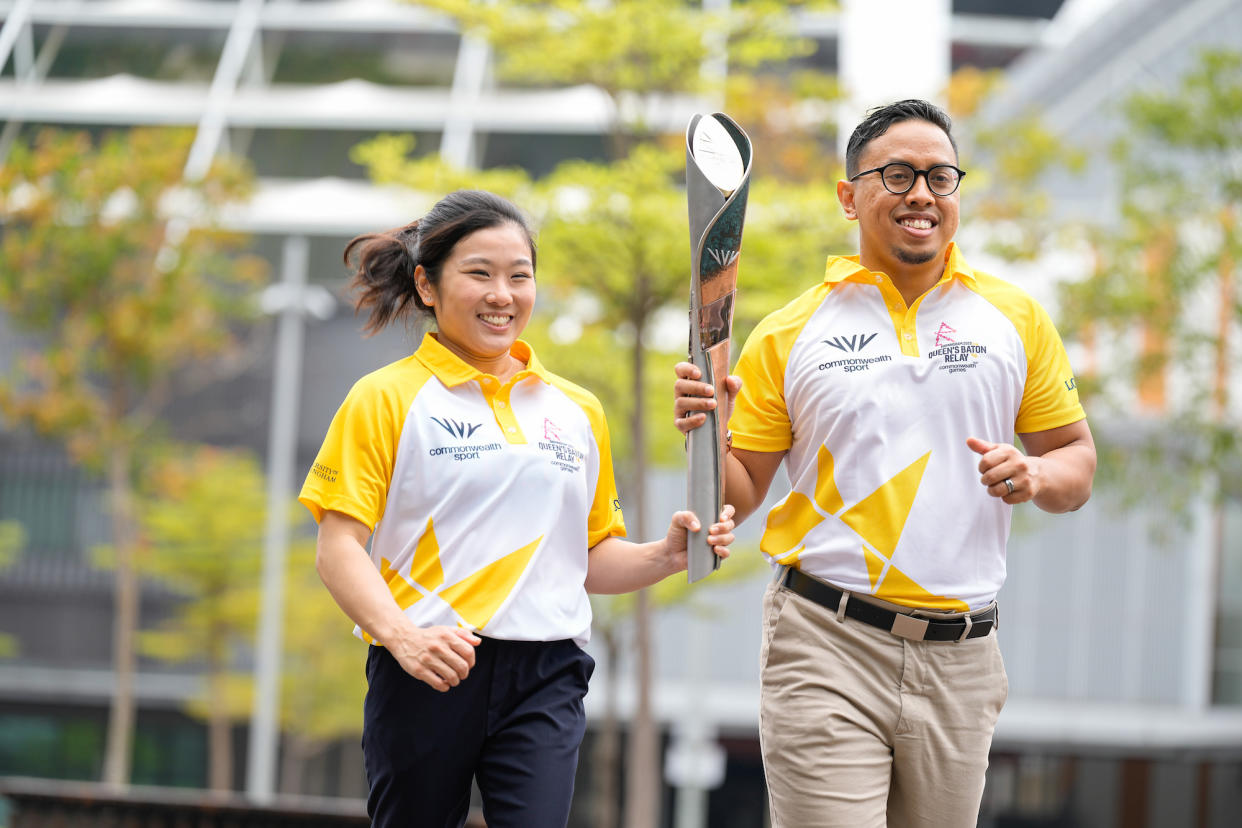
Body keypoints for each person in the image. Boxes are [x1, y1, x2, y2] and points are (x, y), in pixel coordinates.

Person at [674, 100, 1096, 827]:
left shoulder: (1016, 318)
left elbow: (1076, 465)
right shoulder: (789, 333)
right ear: (849, 196)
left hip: (962, 654)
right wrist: (709, 430)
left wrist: (1035, 476)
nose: (922, 194)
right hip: (825, 641)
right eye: (897, 175)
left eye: (941, 177)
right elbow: (738, 495)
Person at [299, 189, 735, 828]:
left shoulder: (575, 408)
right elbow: (338, 546)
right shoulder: (383, 398)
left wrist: (664, 555)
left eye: (519, 276)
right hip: (432, 663)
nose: (502, 294)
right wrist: (404, 639)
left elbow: (588, 559)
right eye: (479, 273)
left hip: (547, 670)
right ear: (426, 284)